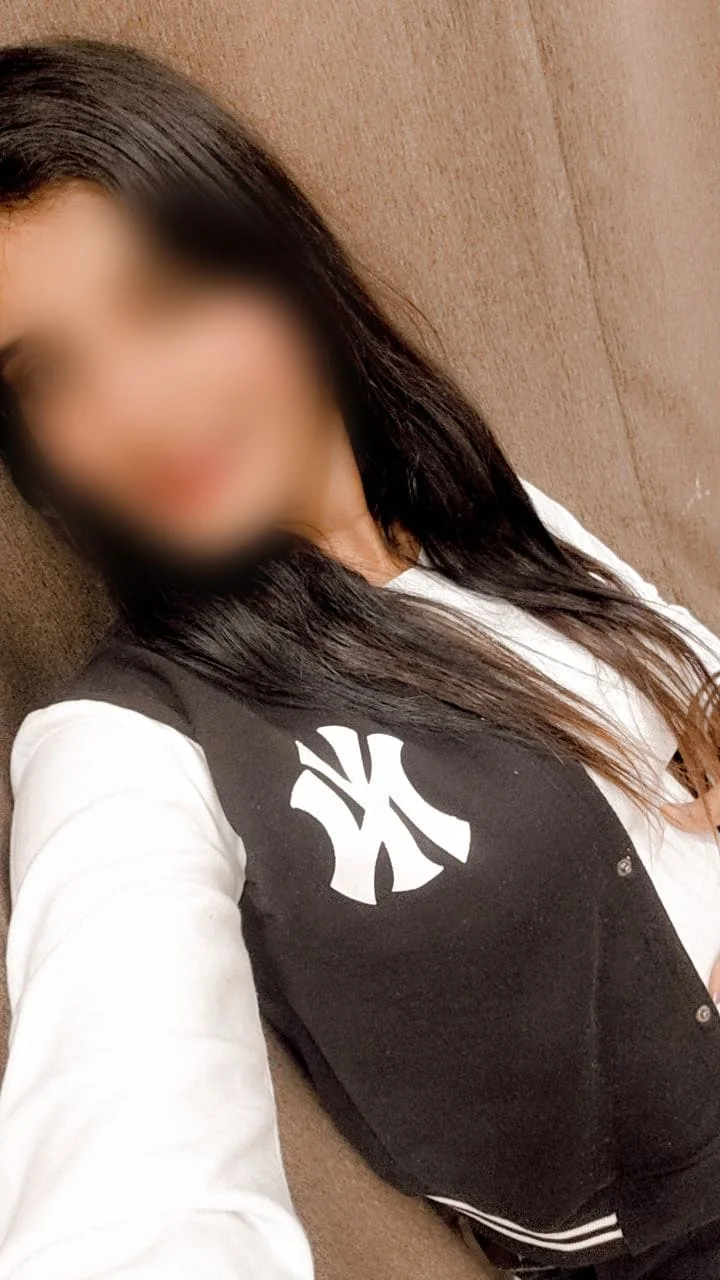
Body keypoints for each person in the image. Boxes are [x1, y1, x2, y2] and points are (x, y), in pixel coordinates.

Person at [0, 37, 719, 1280]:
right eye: (48, 374)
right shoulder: (125, 744)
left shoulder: (499, 520)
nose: (132, 410)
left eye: (164, 300)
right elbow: (131, 1194)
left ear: (277, 266)